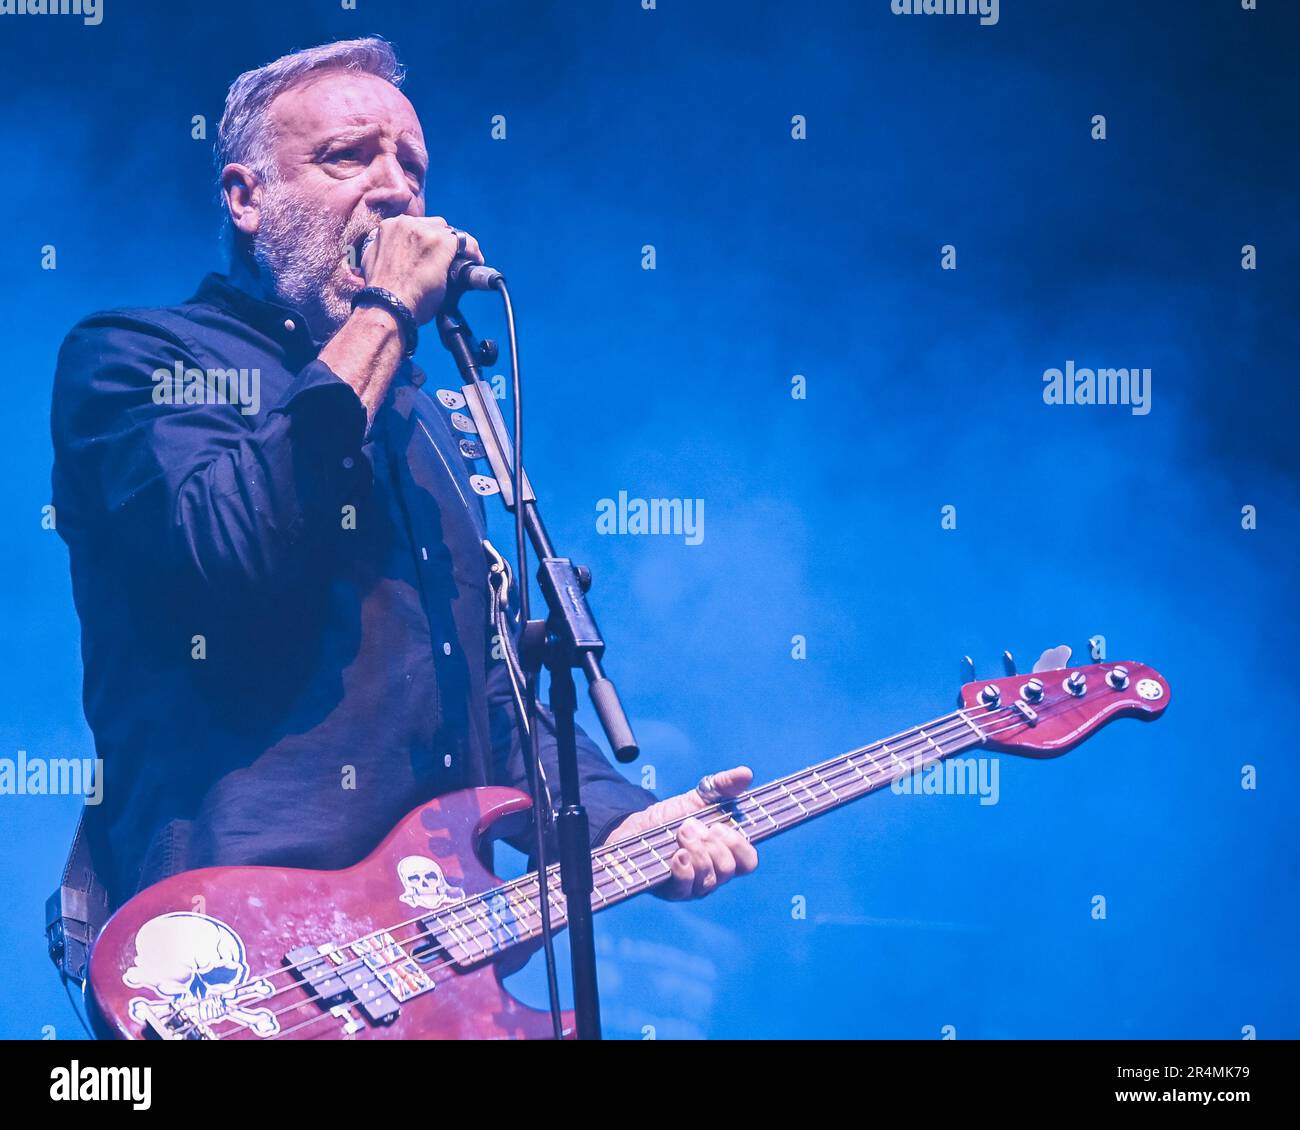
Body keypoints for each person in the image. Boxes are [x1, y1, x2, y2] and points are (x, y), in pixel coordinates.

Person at [50, 37, 757, 915]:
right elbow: (228, 554)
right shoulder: (141, 357)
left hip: (431, 945)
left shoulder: (419, 417)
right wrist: (383, 313)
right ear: (246, 198)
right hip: (233, 937)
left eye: (411, 166)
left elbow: (484, 693)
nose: (393, 189)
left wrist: (621, 824)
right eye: (348, 156)